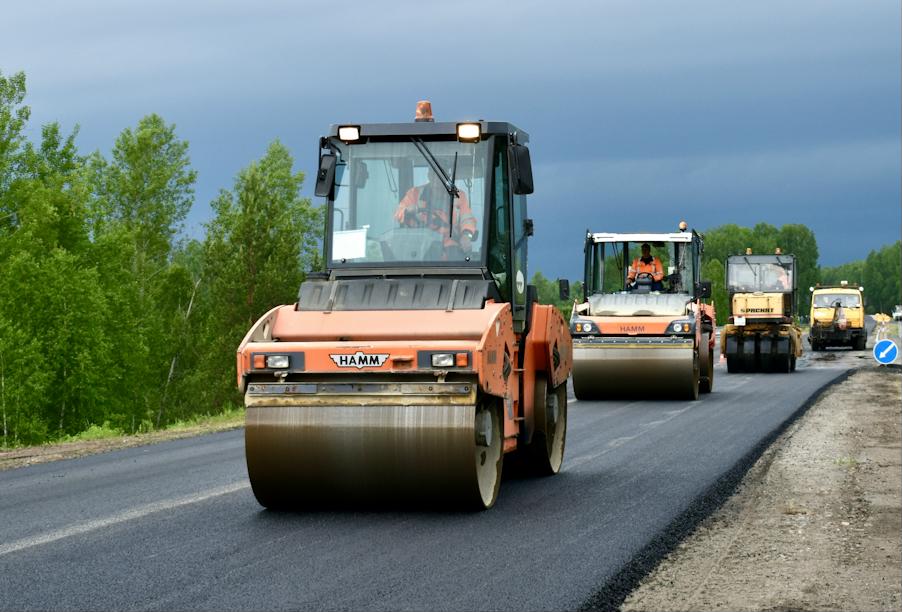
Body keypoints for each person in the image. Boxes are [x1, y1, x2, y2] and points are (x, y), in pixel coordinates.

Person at [393, 169, 478, 255]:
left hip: (450, 248)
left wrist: (466, 236)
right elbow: (398, 214)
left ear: (447, 177)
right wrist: (407, 210)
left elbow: (467, 220)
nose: (437, 179)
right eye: (434, 175)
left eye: (441, 175)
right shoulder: (414, 193)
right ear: (429, 175)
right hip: (420, 248)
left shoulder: (458, 196)